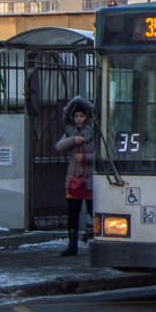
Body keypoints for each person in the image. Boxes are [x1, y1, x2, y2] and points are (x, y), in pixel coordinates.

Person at [56, 95, 94, 257]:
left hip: (90, 180)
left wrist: (86, 158)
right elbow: (59, 147)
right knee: (73, 212)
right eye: (76, 116)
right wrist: (73, 140)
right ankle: (72, 245)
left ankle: (99, 241)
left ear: (87, 117)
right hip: (73, 181)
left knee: (94, 212)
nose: (79, 119)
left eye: (82, 116)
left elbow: (102, 156)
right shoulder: (70, 133)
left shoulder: (94, 133)